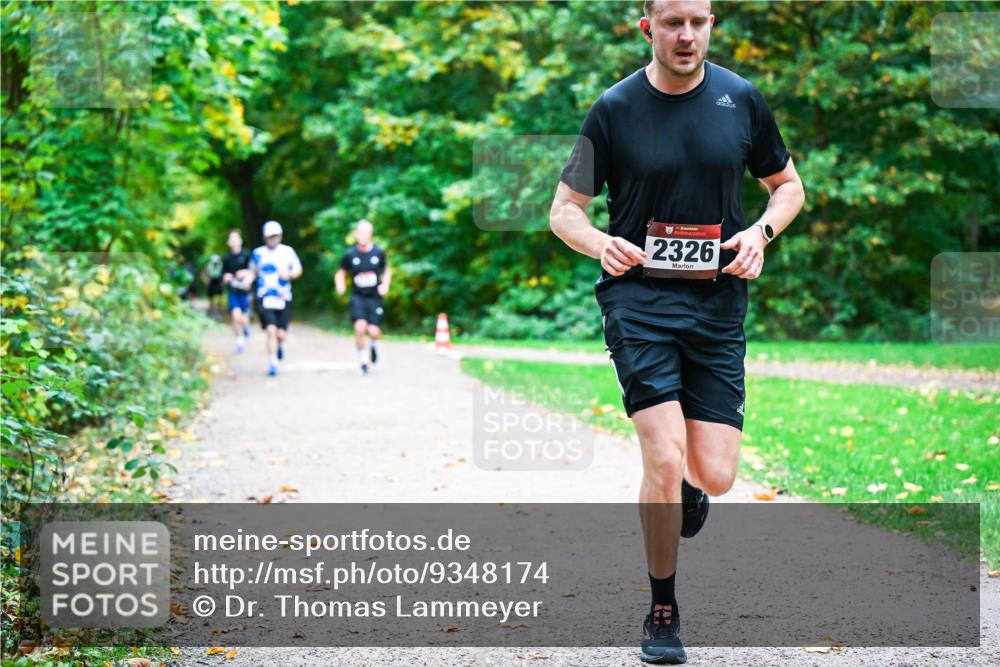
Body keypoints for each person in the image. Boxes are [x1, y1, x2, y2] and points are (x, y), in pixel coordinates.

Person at [549, 1, 805, 663]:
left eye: (698, 21)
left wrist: (760, 232)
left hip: (718, 306)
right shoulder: (614, 109)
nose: (686, 34)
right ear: (648, 29)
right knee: (661, 457)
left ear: (712, 25)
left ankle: (689, 487)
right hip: (638, 300)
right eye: (672, 23)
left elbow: (788, 187)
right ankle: (662, 606)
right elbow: (564, 210)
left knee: (714, 475)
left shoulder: (742, 101)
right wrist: (599, 243)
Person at [335, 219, 391, 376]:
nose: (363, 236)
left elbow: (387, 270)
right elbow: (341, 272)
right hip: (358, 296)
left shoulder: (378, 252)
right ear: (356, 234)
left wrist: (385, 285)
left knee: (373, 331)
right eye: (360, 233)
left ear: (371, 235)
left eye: (366, 233)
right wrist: (340, 284)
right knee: (359, 327)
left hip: (374, 297)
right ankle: (363, 361)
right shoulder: (350, 254)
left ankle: (374, 345)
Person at [248, 220, 303, 376]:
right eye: (270, 236)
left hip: (283, 297)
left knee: (280, 334)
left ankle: (280, 346)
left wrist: (289, 275)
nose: (273, 239)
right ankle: (273, 363)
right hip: (264, 297)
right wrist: (246, 280)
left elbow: (298, 270)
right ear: (265, 237)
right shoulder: (258, 253)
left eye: (275, 236)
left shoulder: (288, 252)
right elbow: (252, 271)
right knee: (271, 330)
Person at [222, 229, 253, 354]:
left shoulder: (247, 255)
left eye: (236, 238)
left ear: (240, 240)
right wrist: (226, 277)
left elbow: (254, 271)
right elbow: (223, 275)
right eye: (231, 239)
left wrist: (245, 274)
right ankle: (239, 342)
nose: (234, 241)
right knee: (235, 316)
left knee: (244, 318)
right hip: (233, 290)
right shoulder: (227, 257)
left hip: (246, 291)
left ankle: (245, 327)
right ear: (228, 242)